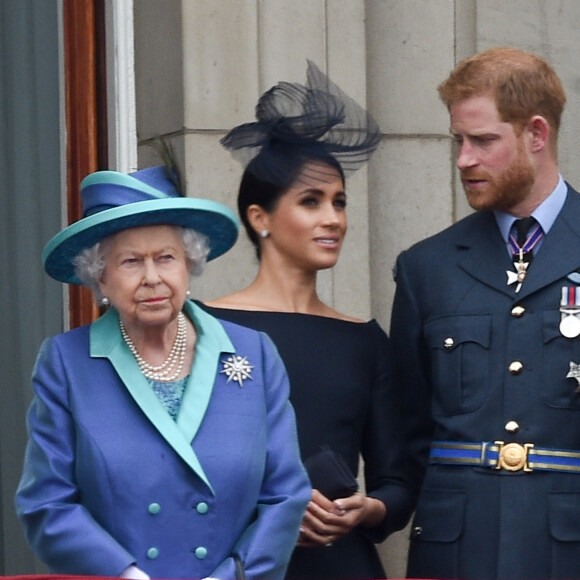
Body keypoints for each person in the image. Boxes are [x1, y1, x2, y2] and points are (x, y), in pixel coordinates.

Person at [14, 166, 311, 580]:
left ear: (189, 264)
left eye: (166, 258)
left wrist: (235, 575)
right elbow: (46, 502)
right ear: (100, 276)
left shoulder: (253, 353)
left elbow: (285, 494)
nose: (152, 278)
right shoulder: (67, 363)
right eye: (131, 261)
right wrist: (126, 575)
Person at [202, 61, 414, 580]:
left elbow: (400, 482)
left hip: (344, 565)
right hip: (236, 565)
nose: (334, 219)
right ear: (260, 219)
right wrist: (268, 513)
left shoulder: (365, 340)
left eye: (339, 202)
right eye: (311, 201)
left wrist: (369, 510)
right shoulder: (205, 328)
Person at [389, 46, 580, 580]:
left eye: (483, 140)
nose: (463, 159)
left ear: (536, 135)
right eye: (458, 141)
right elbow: (411, 427)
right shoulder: (426, 267)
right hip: (455, 550)